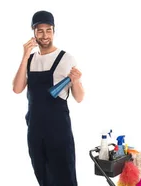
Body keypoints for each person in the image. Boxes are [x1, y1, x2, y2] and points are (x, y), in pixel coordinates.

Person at [12, 10, 85, 186]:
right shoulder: (29, 60)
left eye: (48, 30)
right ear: (34, 33)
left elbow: (80, 97)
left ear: (54, 31)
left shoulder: (66, 58)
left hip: (58, 132)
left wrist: (75, 81)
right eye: (40, 31)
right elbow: (17, 88)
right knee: (43, 176)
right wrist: (24, 56)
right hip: (35, 131)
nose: (44, 35)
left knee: (64, 176)